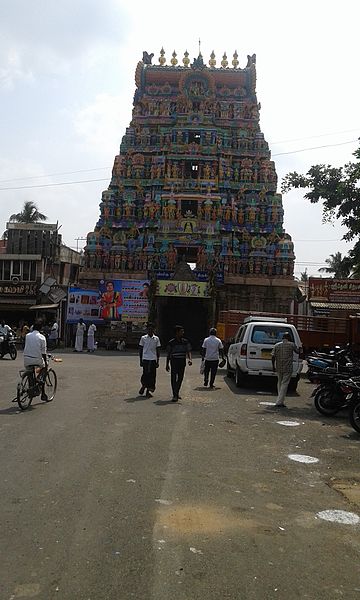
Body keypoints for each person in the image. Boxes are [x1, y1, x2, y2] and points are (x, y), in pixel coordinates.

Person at [271, 332, 300, 407]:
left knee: (279, 383)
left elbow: (273, 357)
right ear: (289, 338)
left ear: (283, 338)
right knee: (285, 384)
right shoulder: (292, 345)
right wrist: (301, 348)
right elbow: (298, 352)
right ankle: (279, 401)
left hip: (279, 367)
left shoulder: (277, 345)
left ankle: (280, 400)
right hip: (288, 367)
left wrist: (273, 367)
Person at [23, 318, 48, 401]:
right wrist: (46, 363)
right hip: (36, 359)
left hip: (26, 359)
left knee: (30, 371)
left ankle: (31, 389)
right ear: (41, 329)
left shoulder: (27, 336)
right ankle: (42, 392)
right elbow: (43, 353)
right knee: (44, 367)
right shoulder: (42, 337)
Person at [166, 325, 192, 402]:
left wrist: (190, 359)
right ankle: (175, 394)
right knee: (173, 378)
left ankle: (176, 392)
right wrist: (167, 364)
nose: (183, 333)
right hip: (174, 361)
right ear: (177, 332)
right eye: (181, 331)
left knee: (180, 378)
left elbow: (188, 351)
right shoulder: (171, 342)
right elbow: (168, 354)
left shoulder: (185, 341)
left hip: (182, 361)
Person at [139, 323, 161, 398]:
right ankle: (143, 385)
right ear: (147, 330)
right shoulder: (143, 338)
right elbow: (140, 350)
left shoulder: (156, 339)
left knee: (152, 376)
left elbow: (158, 350)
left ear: (154, 330)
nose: (150, 330)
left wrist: (158, 361)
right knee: (145, 374)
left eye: (152, 329)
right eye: (149, 329)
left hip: (153, 359)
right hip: (145, 358)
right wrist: (140, 360)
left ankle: (148, 391)